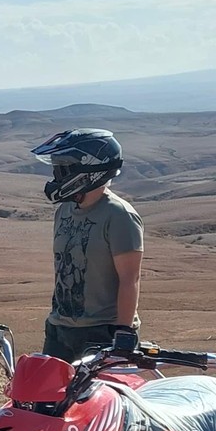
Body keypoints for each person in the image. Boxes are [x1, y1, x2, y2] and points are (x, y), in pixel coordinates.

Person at [32, 128, 144, 361]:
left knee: (99, 397)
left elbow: (129, 279)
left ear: (88, 169)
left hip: (102, 331)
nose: (57, 176)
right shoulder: (65, 210)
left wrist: (123, 334)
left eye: (63, 169)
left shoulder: (120, 215)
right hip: (59, 328)